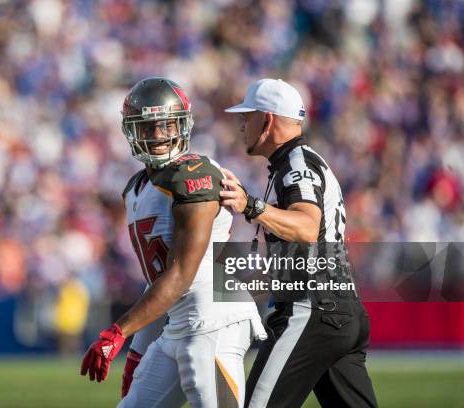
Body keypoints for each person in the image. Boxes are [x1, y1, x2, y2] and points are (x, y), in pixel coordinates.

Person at [80, 77, 266, 407]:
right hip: (179, 324)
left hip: (215, 318)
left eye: (165, 125)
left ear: (182, 124)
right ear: (131, 131)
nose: (158, 137)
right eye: (147, 127)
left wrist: (119, 331)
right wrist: (138, 351)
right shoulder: (136, 188)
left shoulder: (194, 173)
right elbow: (160, 281)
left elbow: (182, 274)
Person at [219, 79, 378, 408]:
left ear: (267, 119)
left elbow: (307, 226)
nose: (240, 125)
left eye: (246, 117)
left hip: (311, 309)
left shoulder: (297, 163)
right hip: (340, 310)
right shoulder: (294, 163)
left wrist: (250, 206)